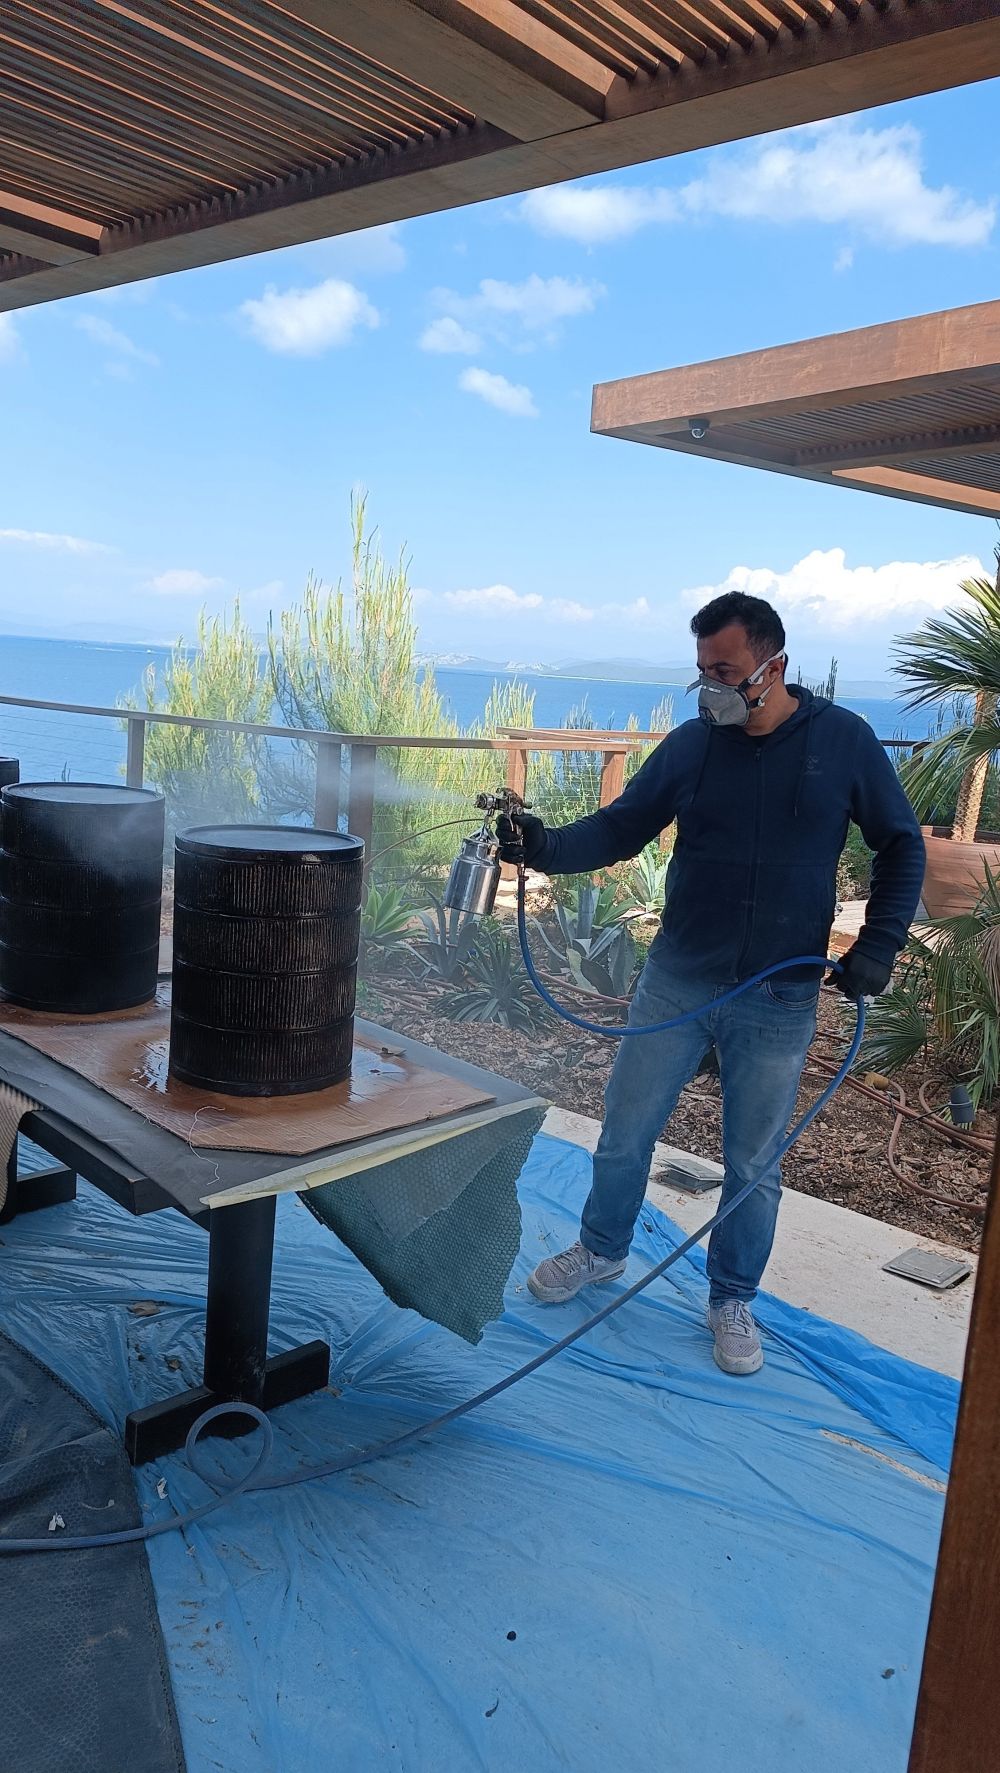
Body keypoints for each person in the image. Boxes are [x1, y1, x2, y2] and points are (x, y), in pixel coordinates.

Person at [497, 592, 925, 1376]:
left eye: (725, 672)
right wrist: (544, 846)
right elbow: (621, 826)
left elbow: (902, 844)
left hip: (780, 993)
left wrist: (881, 942)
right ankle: (601, 1248)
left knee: (754, 1161)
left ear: (774, 667)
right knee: (626, 1129)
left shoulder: (843, 742)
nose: (710, 688)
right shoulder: (693, 745)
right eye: (702, 671)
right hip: (678, 980)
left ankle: (731, 1296)